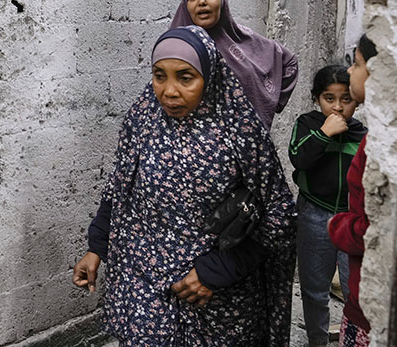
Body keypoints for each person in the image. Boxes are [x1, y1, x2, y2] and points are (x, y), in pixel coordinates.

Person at [73, 26, 296, 346]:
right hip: (146, 295)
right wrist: (97, 247)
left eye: (185, 77)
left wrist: (219, 270)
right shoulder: (142, 118)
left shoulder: (238, 128)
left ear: (209, 76)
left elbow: (280, 213)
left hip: (216, 303)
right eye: (159, 75)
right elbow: (120, 187)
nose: (169, 90)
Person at [288, 65, 366, 347]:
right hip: (314, 213)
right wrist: (324, 133)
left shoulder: (362, 135)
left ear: (357, 100)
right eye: (328, 99)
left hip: (352, 219)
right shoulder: (308, 125)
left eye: (346, 99)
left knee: (353, 289)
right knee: (314, 289)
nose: (337, 107)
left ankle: (353, 340)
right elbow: (298, 158)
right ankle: (317, 340)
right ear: (316, 98)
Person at [170, 0, 298, 129]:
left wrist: (272, 102)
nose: (201, 2)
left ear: (222, 0)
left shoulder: (241, 38)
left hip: (244, 146)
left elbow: (288, 61)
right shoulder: (174, 48)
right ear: (185, 5)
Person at [328, 34, 378, 347]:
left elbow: (370, 228)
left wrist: (338, 226)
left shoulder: (380, 146)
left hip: (371, 308)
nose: (349, 72)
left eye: (356, 64)